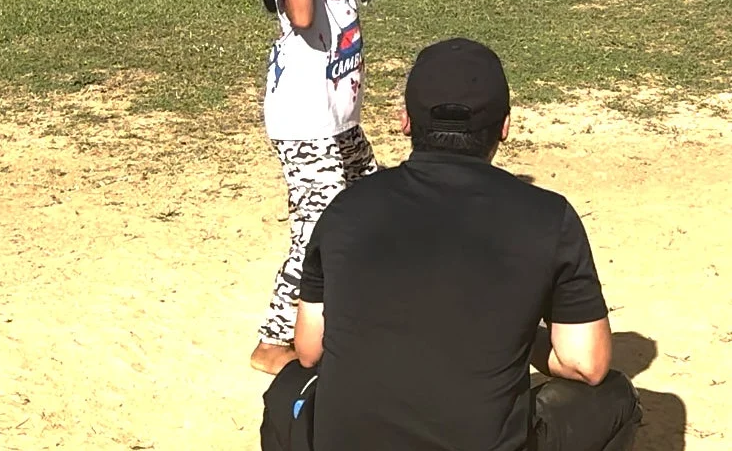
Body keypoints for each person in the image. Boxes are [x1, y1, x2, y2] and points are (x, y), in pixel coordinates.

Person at [261, 38, 641, 451]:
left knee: (290, 390)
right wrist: (514, 333)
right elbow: (585, 364)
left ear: (406, 121)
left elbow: (310, 348)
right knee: (613, 396)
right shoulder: (549, 217)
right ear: (505, 126)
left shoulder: (346, 208)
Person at [251, 0, 383, 376]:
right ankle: (273, 339)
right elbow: (303, 18)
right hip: (305, 123)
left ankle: (346, 308)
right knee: (317, 229)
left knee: (370, 205)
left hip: (342, 121)